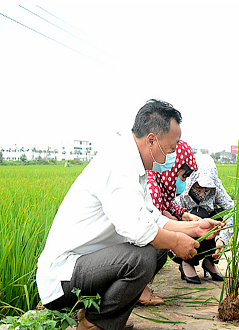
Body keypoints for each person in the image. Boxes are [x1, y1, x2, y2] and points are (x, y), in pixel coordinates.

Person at [36, 99, 223, 330]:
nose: (173, 154)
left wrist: (195, 228)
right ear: (152, 140)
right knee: (142, 257)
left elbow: (153, 219)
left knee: (157, 250)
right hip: (64, 275)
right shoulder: (119, 163)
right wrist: (176, 242)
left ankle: (102, 317)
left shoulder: (137, 169)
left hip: (89, 265)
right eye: (172, 147)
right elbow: (138, 229)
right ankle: (94, 324)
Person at [140, 140, 198, 304]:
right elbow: (154, 223)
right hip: (129, 245)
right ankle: (140, 290)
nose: (184, 182)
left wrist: (184, 215)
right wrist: (177, 239)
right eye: (183, 176)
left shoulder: (157, 183)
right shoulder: (152, 186)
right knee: (158, 250)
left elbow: (165, 207)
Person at [174, 154, 234, 284]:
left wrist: (222, 240)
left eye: (206, 188)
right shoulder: (180, 192)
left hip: (208, 232)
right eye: (198, 187)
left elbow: (231, 210)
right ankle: (187, 262)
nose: (202, 192)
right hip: (184, 234)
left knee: (220, 215)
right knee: (200, 214)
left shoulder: (217, 188)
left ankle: (210, 261)